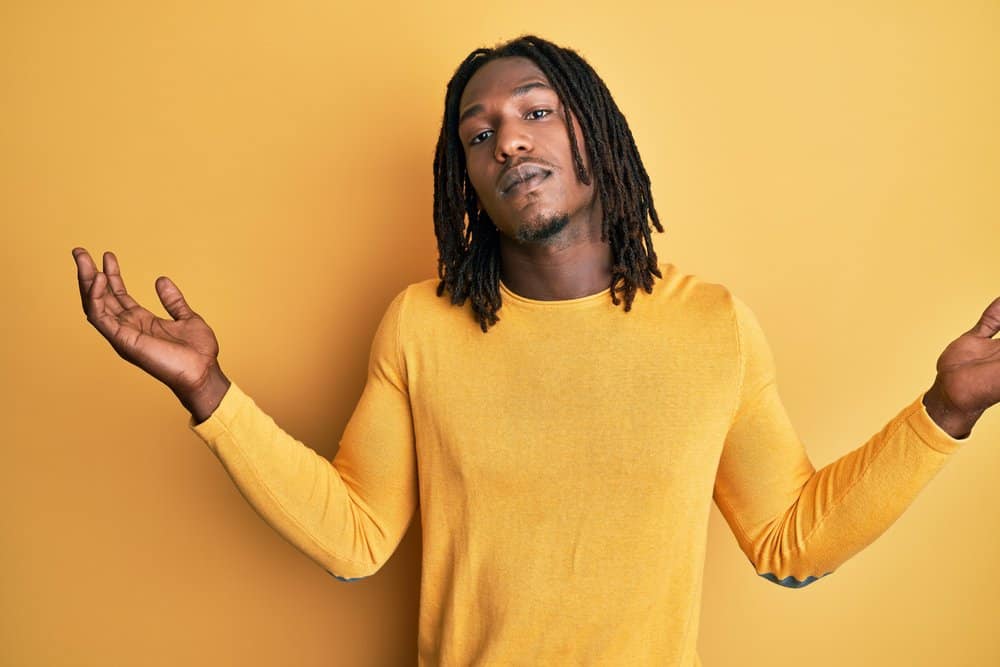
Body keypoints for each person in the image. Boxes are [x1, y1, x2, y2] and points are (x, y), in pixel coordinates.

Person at [72, 35, 997, 666]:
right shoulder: (420, 325)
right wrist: (208, 388)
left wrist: (945, 410)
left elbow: (791, 544)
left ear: (596, 130)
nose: (507, 137)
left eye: (536, 111)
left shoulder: (711, 325)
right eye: (478, 135)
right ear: (467, 180)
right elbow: (354, 539)